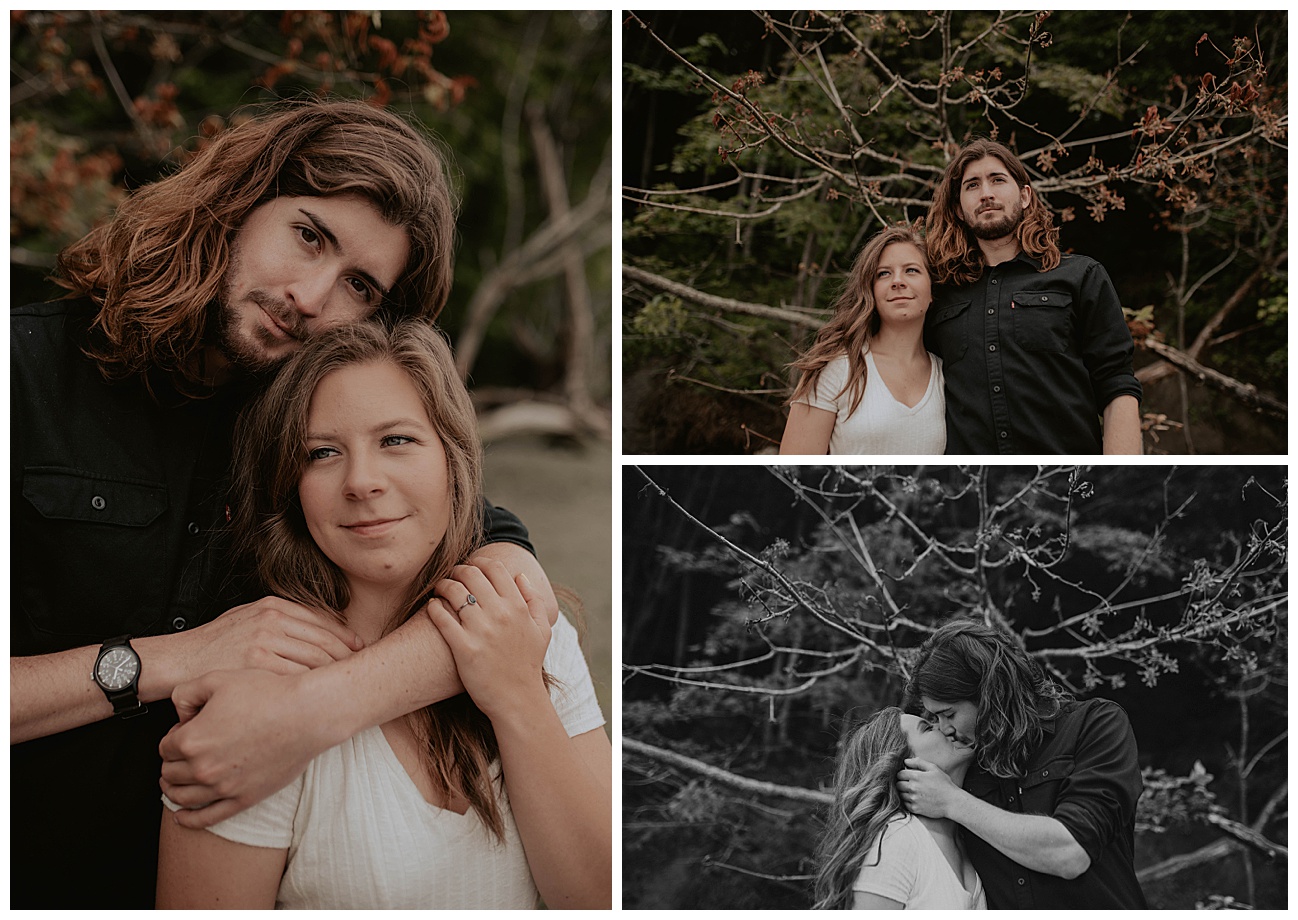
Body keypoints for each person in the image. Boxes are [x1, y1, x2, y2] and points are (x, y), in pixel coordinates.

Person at [11, 99, 559, 908]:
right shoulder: (20, 375)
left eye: (359, 287)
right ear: (239, 198)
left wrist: (309, 714)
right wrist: (176, 659)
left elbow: (503, 589)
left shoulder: (316, 441)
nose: (309, 297)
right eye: (309, 235)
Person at [156, 320, 611, 908]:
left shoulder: (524, 623)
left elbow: (600, 897)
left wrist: (517, 693)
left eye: (396, 440)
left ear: (454, 459)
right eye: (321, 453)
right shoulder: (252, 706)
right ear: (290, 486)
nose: (362, 482)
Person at [899, 616, 1147, 909]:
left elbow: (1071, 853)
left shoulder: (1095, 725)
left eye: (949, 714)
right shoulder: (964, 764)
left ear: (991, 694)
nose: (944, 729)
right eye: (934, 719)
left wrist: (953, 802)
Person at [923, 138, 1143, 454]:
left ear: (1025, 196)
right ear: (958, 209)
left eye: (997, 180)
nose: (986, 193)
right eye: (972, 185)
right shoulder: (938, 293)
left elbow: (1117, 385)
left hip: (1065, 483)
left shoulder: (1081, 276)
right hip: (975, 490)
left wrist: (1119, 481)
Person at [781, 225, 946, 454]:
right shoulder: (838, 368)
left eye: (911, 270)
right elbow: (795, 472)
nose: (897, 281)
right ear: (871, 291)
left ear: (932, 290)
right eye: (883, 274)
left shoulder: (947, 375)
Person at [813, 706, 985, 909]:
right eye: (928, 728)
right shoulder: (896, 840)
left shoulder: (970, 837)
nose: (945, 727)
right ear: (905, 765)